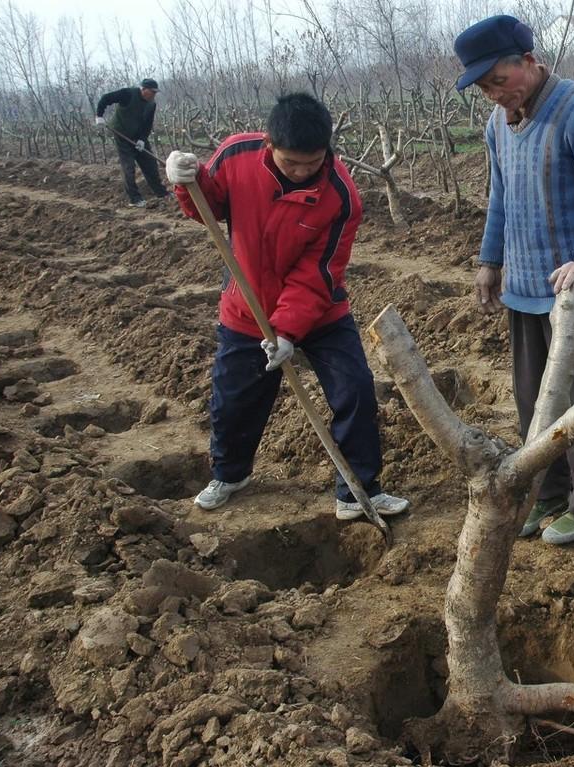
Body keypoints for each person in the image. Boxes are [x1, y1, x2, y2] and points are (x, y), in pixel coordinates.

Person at [162, 93, 409, 522]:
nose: (301, 171)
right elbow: (211, 206)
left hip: (320, 313)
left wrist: (287, 333)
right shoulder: (236, 154)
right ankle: (230, 474)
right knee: (233, 398)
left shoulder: (341, 196)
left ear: (327, 151)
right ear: (268, 144)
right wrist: (190, 180)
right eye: (290, 162)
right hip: (246, 305)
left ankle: (358, 489)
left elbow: (318, 272)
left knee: (354, 390)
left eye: (311, 163)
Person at [454, 15, 574, 546]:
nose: (493, 95)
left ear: (530, 62)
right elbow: (500, 200)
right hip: (525, 290)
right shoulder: (496, 126)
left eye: (499, 81)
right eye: (484, 87)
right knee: (535, 401)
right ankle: (550, 492)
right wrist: (490, 261)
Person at [95, 78, 169, 208]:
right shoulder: (128, 94)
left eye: (155, 92)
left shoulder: (152, 104)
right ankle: (135, 199)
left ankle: (161, 193)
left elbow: (148, 124)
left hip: (138, 136)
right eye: (152, 92)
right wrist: (99, 116)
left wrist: (142, 139)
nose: (153, 95)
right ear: (143, 89)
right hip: (122, 135)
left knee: (150, 164)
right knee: (129, 167)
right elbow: (106, 98)